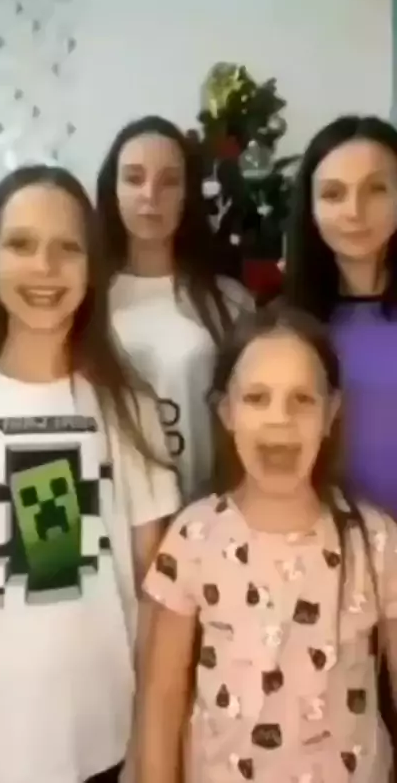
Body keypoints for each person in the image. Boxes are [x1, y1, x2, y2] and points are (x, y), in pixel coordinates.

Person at [0, 165, 181, 783]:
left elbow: (159, 600)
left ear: (93, 268)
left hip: (103, 752)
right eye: (21, 244)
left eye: (68, 248)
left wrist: (154, 750)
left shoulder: (129, 410)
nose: (44, 266)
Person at [136, 305, 397, 783]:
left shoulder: (376, 541)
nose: (280, 418)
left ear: (330, 414)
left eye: (302, 399)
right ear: (227, 413)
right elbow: (162, 698)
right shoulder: (194, 537)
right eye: (257, 398)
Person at [97, 115, 253, 502]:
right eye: (134, 178)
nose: (150, 195)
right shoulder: (83, 296)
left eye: (169, 181)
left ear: (188, 194)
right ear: (113, 189)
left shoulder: (230, 301)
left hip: (203, 509)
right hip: (106, 508)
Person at [284, 115, 397, 518]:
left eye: (376, 189)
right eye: (333, 194)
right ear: (311, 210)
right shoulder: (286, 327)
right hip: (325, 541)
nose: (354, 211)